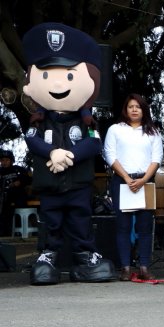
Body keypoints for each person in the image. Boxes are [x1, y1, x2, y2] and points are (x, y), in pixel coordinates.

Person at [22, 22, 116, 285]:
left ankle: (85, 257)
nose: (60, 83)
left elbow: (94, 144)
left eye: (70, 75)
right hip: (50, 185)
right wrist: (52, 153)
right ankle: (48, 256)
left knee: (80, 220)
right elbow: (31, 142)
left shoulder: (86, 122)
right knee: (51, 221)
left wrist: (68, 156)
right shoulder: (39, 122)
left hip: (78, 185)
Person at [103, 94, 163, 281]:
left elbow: (157, 158)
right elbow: (109, 154)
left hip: (146, 182)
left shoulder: (153, 132)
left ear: (144, 109)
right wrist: (127, 178)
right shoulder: (115, 129)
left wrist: (144, 179)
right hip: (122, 181)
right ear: (126, 109)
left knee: (145, 227)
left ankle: (144, 266)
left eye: (138, 106)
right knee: (123, 226)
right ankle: (126, 267)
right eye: (131, 107)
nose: (134, 110)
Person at [0, 149, 32, 236]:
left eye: (7, 160)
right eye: (2, 160)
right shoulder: (0, 172)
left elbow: (29, 179)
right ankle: (4, 233)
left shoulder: (18, 169)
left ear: (11, 161)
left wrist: (19, 182)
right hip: (4, 198)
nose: (4, 162)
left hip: (18, 196)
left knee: (20, 204)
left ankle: (19, 230)